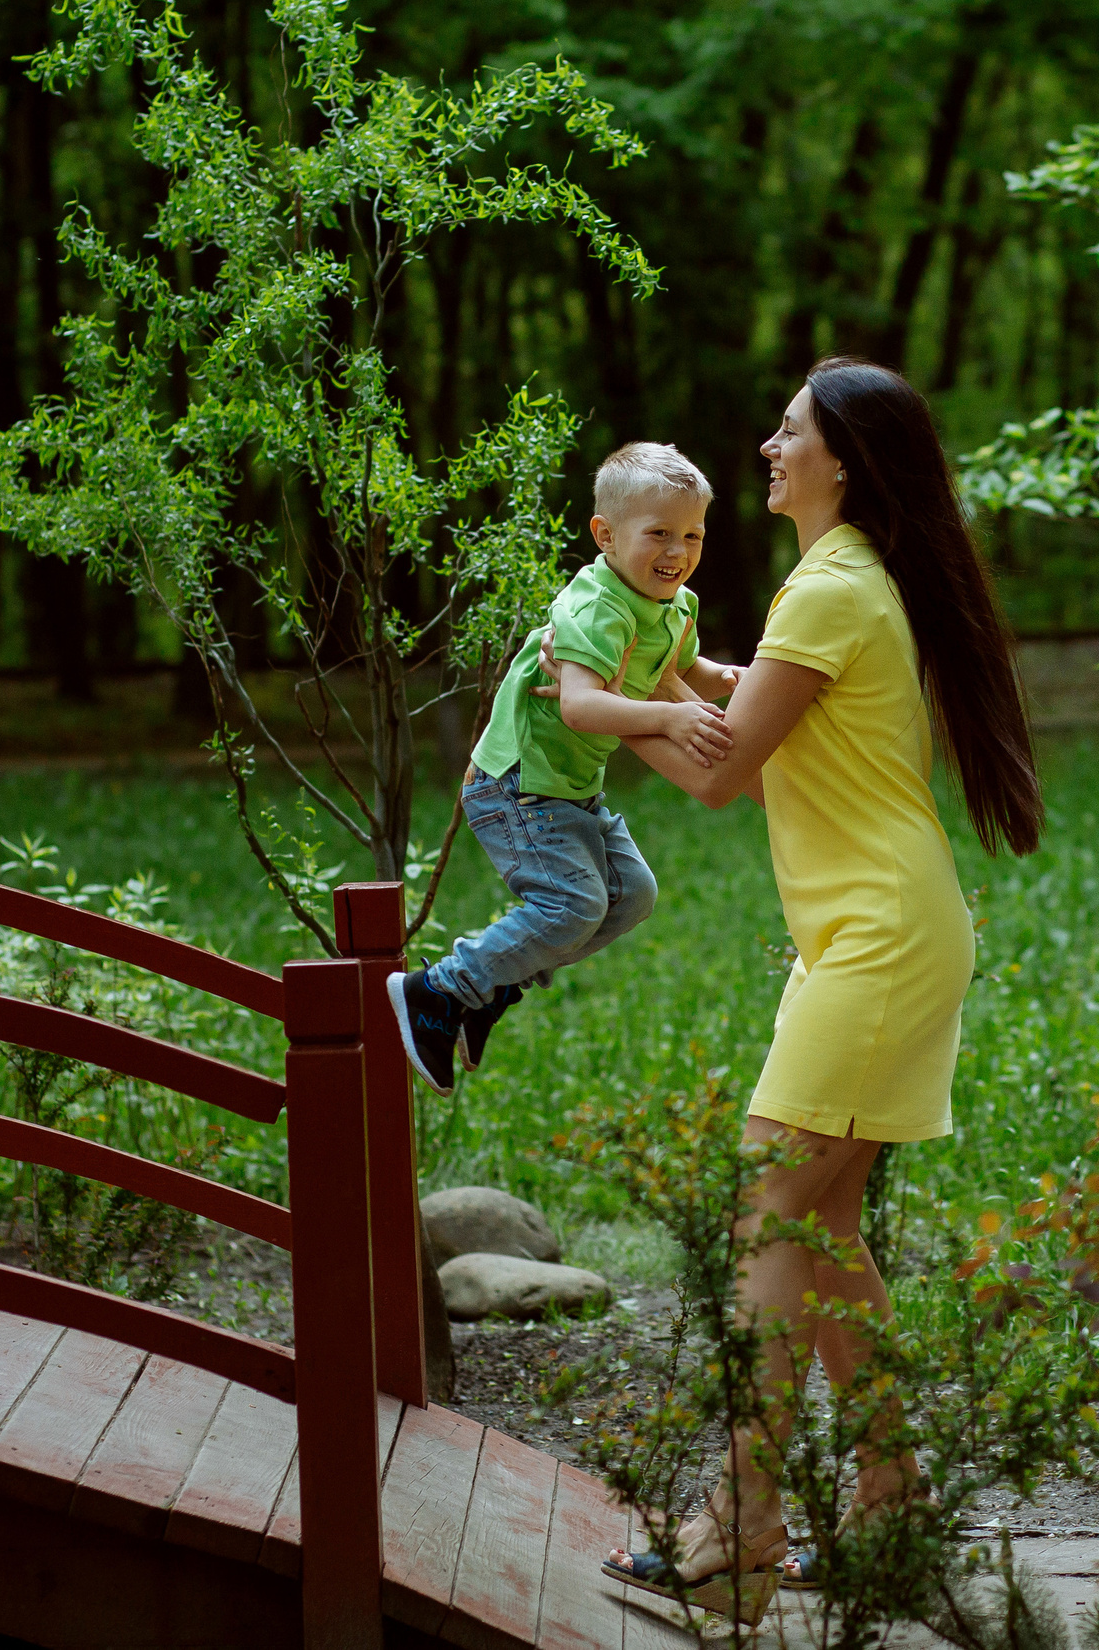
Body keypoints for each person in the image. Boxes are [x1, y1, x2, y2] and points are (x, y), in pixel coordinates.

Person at [598, 358, 1042, 1620]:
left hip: (877, 947)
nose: (765, 448)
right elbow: (764, 707)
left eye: (788, 433)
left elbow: (722, 775)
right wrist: (668, 676)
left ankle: (740, 1528)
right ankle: (892, 1514)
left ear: (842, 459)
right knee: (820, 1227)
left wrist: (579, 703)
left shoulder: (828, 588)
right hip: (875, 937)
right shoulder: (845, 586)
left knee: (767, 1218)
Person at [387, 442, 746, 1094]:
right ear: (606, 536)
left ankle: (493, 984)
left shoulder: (675, 605)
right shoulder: (596, 608)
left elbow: (680, 668)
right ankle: (438, 990)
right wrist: (668, 718)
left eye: (691, 534)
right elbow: (579, 705)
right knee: (575, 904)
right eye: (658, 533)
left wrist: (733, 679)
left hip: (572, 789)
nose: (678, 551)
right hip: (519, 783)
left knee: (633, 896)